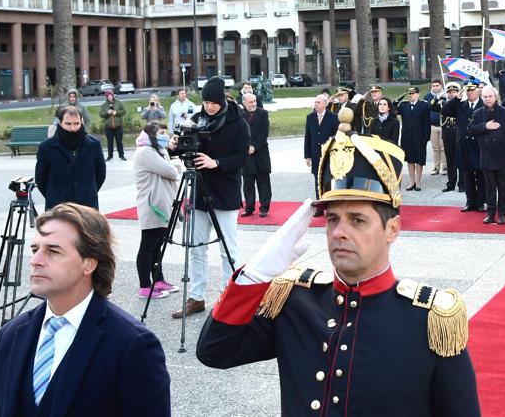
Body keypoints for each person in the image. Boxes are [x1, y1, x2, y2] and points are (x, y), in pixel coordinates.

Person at [196, 109, 480, 416]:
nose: (339, 232)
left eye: (357, 220)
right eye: (333, 219)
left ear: (392, 229)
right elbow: (215, 351)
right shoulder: (296, 301)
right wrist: (254, 276)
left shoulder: (428, 321)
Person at [0, 204, 171, 416]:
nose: (35, 261)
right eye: (35, 250)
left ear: (89, 264)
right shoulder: (11, 335)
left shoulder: (132, 344)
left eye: (53, 251)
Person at [175, 77, 250, 319]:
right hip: (199, 190)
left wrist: (215, 163)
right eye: (205, 102)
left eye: (213, 103)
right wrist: (174, 146)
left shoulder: (238, 123)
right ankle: (196, 297)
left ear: (222, 101)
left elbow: (242, 157)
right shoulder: (198, 119)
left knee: (228, 247)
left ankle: (227, 295)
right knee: (196, 247)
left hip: (225, 192)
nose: (208, 107)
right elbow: (185, 148)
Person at [132, 121, 180, 300]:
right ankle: (145, 286)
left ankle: (158, 280)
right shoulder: (145, 152)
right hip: (152, 206)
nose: (164, 136)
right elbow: (171, 172)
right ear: (151, 135)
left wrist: (173, 164)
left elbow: (169, 169)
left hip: (162, 204)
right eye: (161, 133)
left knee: (157, 246)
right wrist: (176, 165)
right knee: (147, 246)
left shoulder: (157, 150)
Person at [34, 106, 107, 209]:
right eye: (68, 124)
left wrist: (87, 192)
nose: (73, 128)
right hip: (58, 207)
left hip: (87, 206)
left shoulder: (94, 145)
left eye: (76, 123)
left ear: (81, 122)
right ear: (60, 123)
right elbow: (40, 179)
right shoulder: (46, 147)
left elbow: (101, 174)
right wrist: (54, 196)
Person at [468, 85, 505, 225]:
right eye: (485, 97)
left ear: (495, 97)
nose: (487, 99)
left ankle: (502, 214)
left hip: (503, 156)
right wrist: (485, 126)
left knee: (503, 186)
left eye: (490, 96)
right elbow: (471, 129)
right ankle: (490, 213)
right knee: (489, 188)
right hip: (486, 156)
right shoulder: (478, 113)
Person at [442, 84, 485, 212]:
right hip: (464, 146)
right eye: (468, 91)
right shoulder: (461, 105)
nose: (470, 93)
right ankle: (470, 202)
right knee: (468, 176)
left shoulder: (484, 105)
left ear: (478, 91)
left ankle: (482, 202)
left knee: (481, 176)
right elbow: (444, 110)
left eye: (472, 90)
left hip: (479, 145)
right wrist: (456, 98)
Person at [241, 92, 272, 218]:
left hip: (261, 153)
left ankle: (264, 207)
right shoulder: (239, 116)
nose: (253, 104)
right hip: (246, 154)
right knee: (248, 182)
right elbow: (238, 133)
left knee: (263, 182)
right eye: (250, 102)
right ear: (244, 103)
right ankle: (249, 207)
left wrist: (254, 146)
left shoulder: (263, 114)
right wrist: (246, 147)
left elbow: (264, 132)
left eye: (254, 101)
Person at [303, 93, 340, 196]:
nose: (315, 104)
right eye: (315, 102)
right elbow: (308, 137)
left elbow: (337, 137)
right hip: (315, 154)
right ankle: (319, 201)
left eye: (318, 102)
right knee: (317, 180)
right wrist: (307, 155)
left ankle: (330, 202)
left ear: (325, 104)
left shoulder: (333, 117)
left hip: (329, 155)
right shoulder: (310, 117)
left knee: (329, 179)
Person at [397, 86, 431, 192]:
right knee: (410, 160)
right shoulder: (403, 105)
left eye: (413, 93)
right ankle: (412, 181)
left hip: (419, 137)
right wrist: (399, 98)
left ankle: (418, 181)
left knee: (419, 160)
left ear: (418, 94)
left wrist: (426, 138)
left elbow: (427, 123)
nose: (411, 95)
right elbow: (393, 107)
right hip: (407, 137)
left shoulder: (424, 106)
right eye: (409, 94)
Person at [436, 82, 461, 192]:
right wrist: (438, 96)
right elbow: (431, 106)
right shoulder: (443, 103)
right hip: (447, 136)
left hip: (458, 135)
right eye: (449, 92)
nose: (451, 94)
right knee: (450, 161)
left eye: (454, 92)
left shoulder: (462, 103)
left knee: (461, 160)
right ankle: (451, 183)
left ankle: (462, 183)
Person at [425, 79, 447, 176]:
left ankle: (445, 166)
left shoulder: (445, 95)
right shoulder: (428, 97)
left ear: (441, 85)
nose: (435, 87)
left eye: (437, 85)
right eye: (433, 86)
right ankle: (436, 167)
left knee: (443, 147)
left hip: (443, 125)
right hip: (433, 125)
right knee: (435, 147)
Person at [98, 89, 127, 162]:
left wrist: (116, 112)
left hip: (118, 126)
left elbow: (124, 111)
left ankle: (121, 155)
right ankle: (110, 156)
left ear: (113, 95)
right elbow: (101, 114)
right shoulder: (104, 105)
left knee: (119, 141)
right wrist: (107, 113)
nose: (110, 97)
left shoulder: (119, 103)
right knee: (109, 142)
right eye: (108, 96)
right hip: (109, 127)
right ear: (106, 97)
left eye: (111, 95)